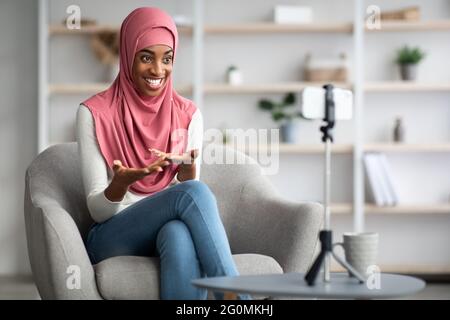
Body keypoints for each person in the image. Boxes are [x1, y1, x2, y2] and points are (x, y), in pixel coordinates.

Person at [76, 7, 248, 300]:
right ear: (128, 53)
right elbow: (97, 210)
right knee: (193, 193)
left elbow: (184, 197)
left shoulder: (188, 114)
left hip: (165, 231)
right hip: (111, 236)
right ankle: (234, 296)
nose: (158, 70)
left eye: (166, 59)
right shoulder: (94, 113)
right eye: (146, 57)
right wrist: (119, 185)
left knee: (178, 232)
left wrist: (186, 174)